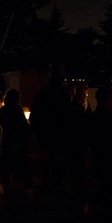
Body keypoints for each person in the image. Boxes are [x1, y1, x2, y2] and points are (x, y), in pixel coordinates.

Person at [29, 62, 71, 195]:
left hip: (57, 135)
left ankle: (51, 187)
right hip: (52, 135)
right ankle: (52, 188)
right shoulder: (49, 95)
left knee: (54, 162)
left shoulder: (61, 94)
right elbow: (35, 117)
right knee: (53, 162)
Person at [88, 85, 112, 211]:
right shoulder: (98, 117)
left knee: (109, 183)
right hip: (105, 155)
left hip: (109, 155)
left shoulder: (110, 115)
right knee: (106, 183)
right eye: (111, 98)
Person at [0, 88, 35, 191]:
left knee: (8, 165)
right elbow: (19, 124)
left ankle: (8, 187)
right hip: (14, 141)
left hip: (9, 141)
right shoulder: (15, 109)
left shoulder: (5, 110)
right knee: (18, 163)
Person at [66, 81, 92, 198]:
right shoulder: (71, 106)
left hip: (83, 140)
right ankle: (76, 189)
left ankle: (79, 188)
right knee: (75, 165)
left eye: (85, 94)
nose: (83, 96)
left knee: (81, 164)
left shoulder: (87, 105)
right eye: (81, 93)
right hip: (74, 140)